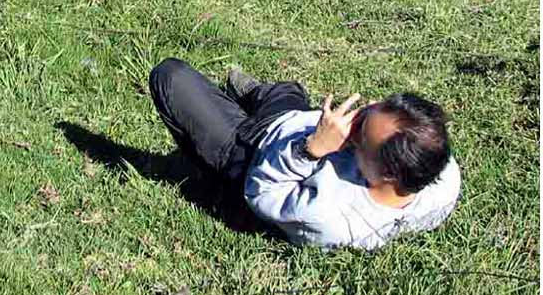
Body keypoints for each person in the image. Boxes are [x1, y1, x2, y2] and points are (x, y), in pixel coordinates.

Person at [148, 58, 461, 250]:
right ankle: (260, 96)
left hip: (252, 154)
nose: (351, 122)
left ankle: (216, 161)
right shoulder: (443, 177)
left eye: (359, 130)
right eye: (366, 111)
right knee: (287, 92)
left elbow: (263, 193)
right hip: (297, 120)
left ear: (387, 172)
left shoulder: (331, 218)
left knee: (170, 76)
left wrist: (312, 151)